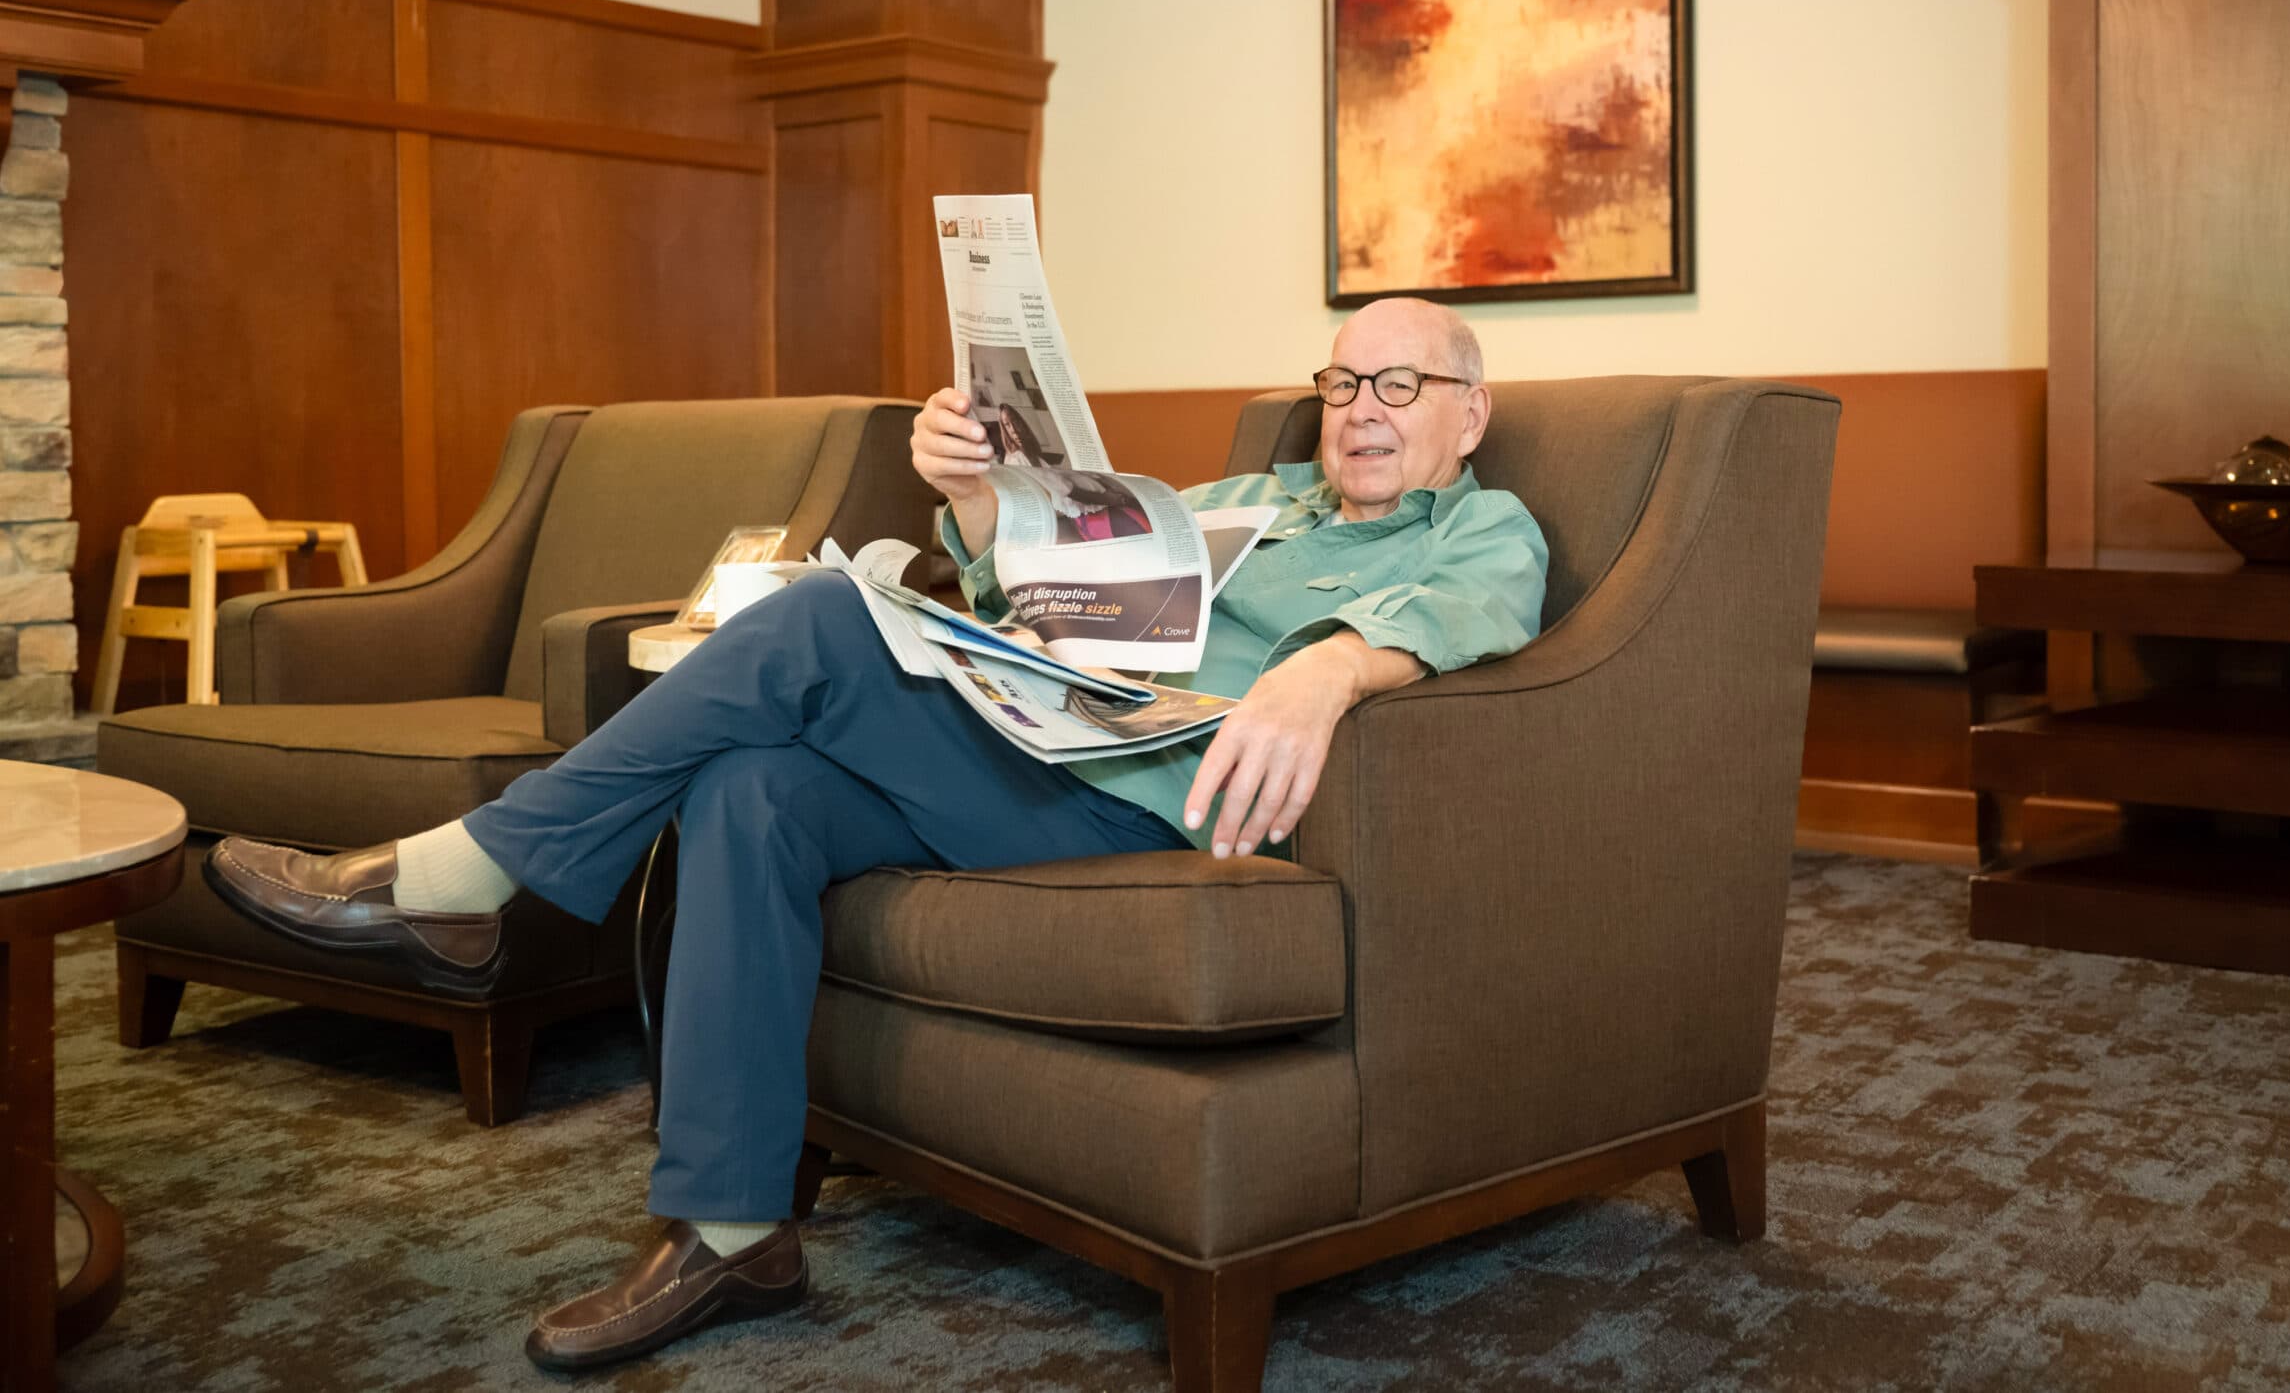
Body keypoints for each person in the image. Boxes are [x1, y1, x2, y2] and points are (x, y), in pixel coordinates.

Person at [201, 297, 1549, 1371]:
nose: (1361, 413)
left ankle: (468, 874)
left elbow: (1462, 625)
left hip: (1149, 802)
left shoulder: (1485, 531)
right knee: (751, 788)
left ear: (1468, 411)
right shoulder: (1243, 503)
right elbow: (1068, 592)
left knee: (814, 618)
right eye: (1342, 384)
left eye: (1399, 387)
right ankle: (734, 1233)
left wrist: (1323, 672)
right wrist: (971, 502)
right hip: (1045, 741)